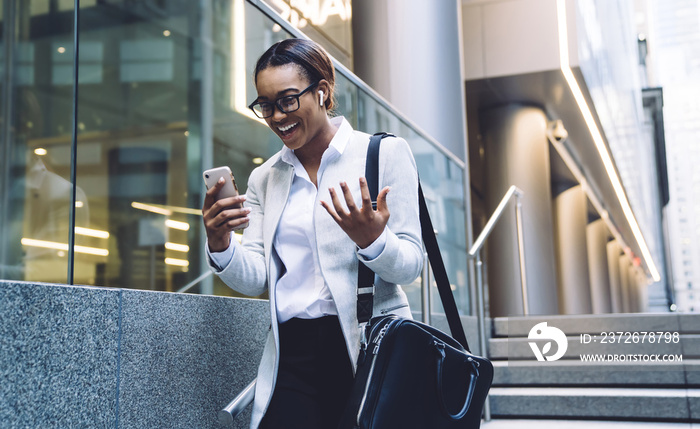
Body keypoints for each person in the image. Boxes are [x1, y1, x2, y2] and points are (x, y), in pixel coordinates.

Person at [202, 38, 422, 429]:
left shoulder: (382, 154)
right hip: (293, 351)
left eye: (287, 100)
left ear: (322, 92)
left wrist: (373, 241)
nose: (276, 116)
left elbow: (409, 267)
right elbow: (257, 277)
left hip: (368, 348)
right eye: (265, 105)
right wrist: (221, 245)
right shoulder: (265, 177)